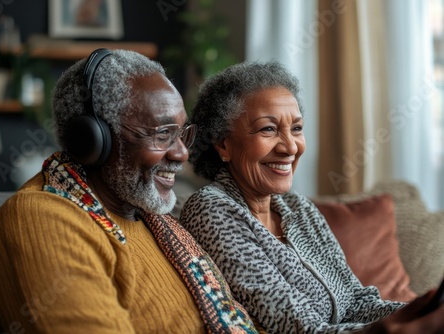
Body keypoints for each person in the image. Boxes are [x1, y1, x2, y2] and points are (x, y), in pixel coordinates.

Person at [0, 49, 262, 333]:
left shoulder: (154, 220)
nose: (182, 153)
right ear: (92, 141)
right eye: (163, 134)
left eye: (182, 133)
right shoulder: (42, 221)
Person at [179, 60, 444, 333]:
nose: (290, 146)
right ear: (223, 143)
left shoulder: (299, 209)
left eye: (296, 128)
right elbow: (298, 329)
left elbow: (355, 302)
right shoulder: (212, 210)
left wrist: (419, 307)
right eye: (268, 129)